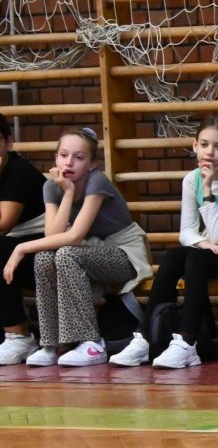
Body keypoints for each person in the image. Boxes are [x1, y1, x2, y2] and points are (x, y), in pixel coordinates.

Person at [114, 115, 218, 369]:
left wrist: (207, 189)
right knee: (172, 257)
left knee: (195, 258)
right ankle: (146, 338)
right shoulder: (190, 179)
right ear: (194, 146)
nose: (210, 152)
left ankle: (187, 341)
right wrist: (204, 244)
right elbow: (186, 232)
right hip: (212, 249)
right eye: (204, 144)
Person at [2, 127, 151, 367]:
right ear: (56, 158)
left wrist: (20, 249)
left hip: (123, 253)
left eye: (79, 157)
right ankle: (51, 345)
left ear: (92, 164)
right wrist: (68, 193)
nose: (69, 162)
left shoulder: (97, 181)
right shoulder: (52, 186)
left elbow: (74, 236)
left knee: (67, 254)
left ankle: (91, 343)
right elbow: (53, 233)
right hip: (88, 251)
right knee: (44, 258)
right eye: (63, 155)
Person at [0, 122, 50, 365]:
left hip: (48, 255)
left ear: (8, 142)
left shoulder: (17, 171)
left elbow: (3, 224)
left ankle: (19, 336)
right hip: (19, 250)